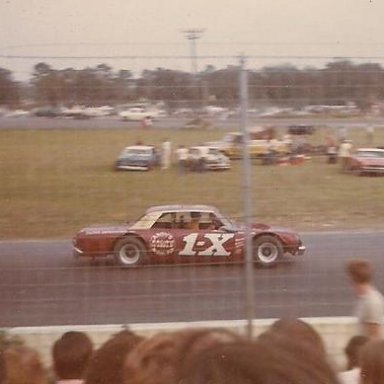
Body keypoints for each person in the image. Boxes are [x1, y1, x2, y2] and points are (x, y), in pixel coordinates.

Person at [346, 259, 384, 339]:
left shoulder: (372, 301)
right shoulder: (363, 299)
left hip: (369, 350)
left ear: (353, 278)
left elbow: (375, 335)